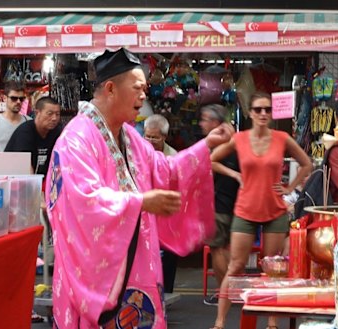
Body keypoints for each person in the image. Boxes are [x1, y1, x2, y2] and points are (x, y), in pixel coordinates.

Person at [45, 48, 233, 329]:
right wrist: (140, 202)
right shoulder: (76, 139)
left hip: (137, 260)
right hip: (101, 272)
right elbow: (80, 200)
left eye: (145, 89)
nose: (144, 96)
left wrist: (206, 145)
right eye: (138, 89)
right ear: (110, 88)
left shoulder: (130, 136)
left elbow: (165, 170)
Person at [210, 91, 312, 329]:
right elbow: (212, 159)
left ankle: (272, 323)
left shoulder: (282, 138)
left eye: (268, 109)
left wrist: (290, 187)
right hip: (245, 210)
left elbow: (307, 163)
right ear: (250, 113)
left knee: (272, 269)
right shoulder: (239, 139)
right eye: (258, 110)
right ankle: (219, 322)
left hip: (274, 210)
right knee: (235, 266)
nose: (263, 114)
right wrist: (235, 174)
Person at [199, 104, 240, 306]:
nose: (202, 123)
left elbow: (209, 163)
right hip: (232, 203)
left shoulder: (222, 145)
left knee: (218, 249)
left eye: (205, 119)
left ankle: (225, 293)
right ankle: (230, 292)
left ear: (216, 123)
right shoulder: (234, 142)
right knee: (225, 249)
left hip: (220, 203)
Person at [142, 114, 179, 296]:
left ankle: (166, 292)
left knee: (169, 254)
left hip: (165, 212)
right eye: (147, 136)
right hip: (145, 210)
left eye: (154, 137)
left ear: (164, 137)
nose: (149, 140)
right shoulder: (137, 151)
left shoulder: (173, 156)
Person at [4, 96, 62, 175]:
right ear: (37, 113)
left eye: (57, 114)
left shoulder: (57, 132)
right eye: (50, 114)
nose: (54, 118)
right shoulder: (25, 132)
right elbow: (24, 167)